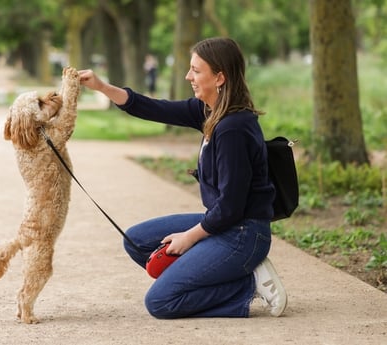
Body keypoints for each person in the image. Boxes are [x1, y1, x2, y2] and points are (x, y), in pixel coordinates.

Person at [78, 37, 287, 318]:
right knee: (136, 240)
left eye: (196, 71)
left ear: (220, 77)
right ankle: (215, 273)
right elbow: (153, 108)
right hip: (226, 224)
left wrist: (189, 238)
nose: (189, 76)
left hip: (243, 233)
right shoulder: (209, 111)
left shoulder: (233, 129)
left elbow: (232, 207)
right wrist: (102, 87)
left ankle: (247, 284)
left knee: (161, 303)